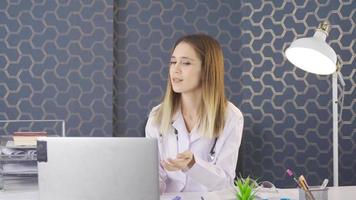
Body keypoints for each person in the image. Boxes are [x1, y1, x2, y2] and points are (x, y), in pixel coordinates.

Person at [145, 33, 244, 193]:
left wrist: (193, 165)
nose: (175, 70)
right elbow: (156, 177)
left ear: (207, 70)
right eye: (173, 62)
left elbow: (225, 183)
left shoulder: (231, 117)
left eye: (185, 63)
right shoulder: (157, 116)